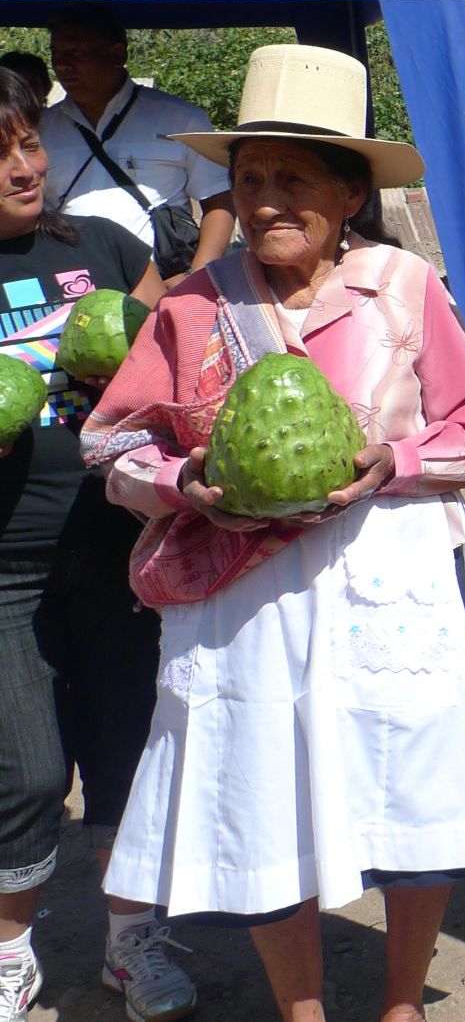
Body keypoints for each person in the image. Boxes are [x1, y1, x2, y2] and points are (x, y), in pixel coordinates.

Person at [82, 44, 465, 1022]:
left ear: (345, 193)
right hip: (246, 592)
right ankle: (302, 1007)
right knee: (263, 793)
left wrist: (396, 463)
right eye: (248, 180)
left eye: (293, 178)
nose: (264, 201)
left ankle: (402, 1000)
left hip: (392, 574)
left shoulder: (404, 287)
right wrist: (183, 481)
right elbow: (110, 440)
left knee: (411, 784)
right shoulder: (196, 305)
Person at [0, 68, 192, 1022]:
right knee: (27, 767)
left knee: (126, 750)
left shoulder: (110, 246)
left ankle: (131, 942)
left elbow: (184, 368)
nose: (24, 165)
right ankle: (11, 953)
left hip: (119, 546)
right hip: (6, 566)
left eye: (29, 143)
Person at [40, 2, 234, 278]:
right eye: (56, 53)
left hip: (162, 289)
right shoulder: (39, 129)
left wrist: (196, 280)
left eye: (77, 52)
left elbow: (219, 202)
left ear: (118, 53)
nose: (62, 64)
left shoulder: (181, 120)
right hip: (70, 285)